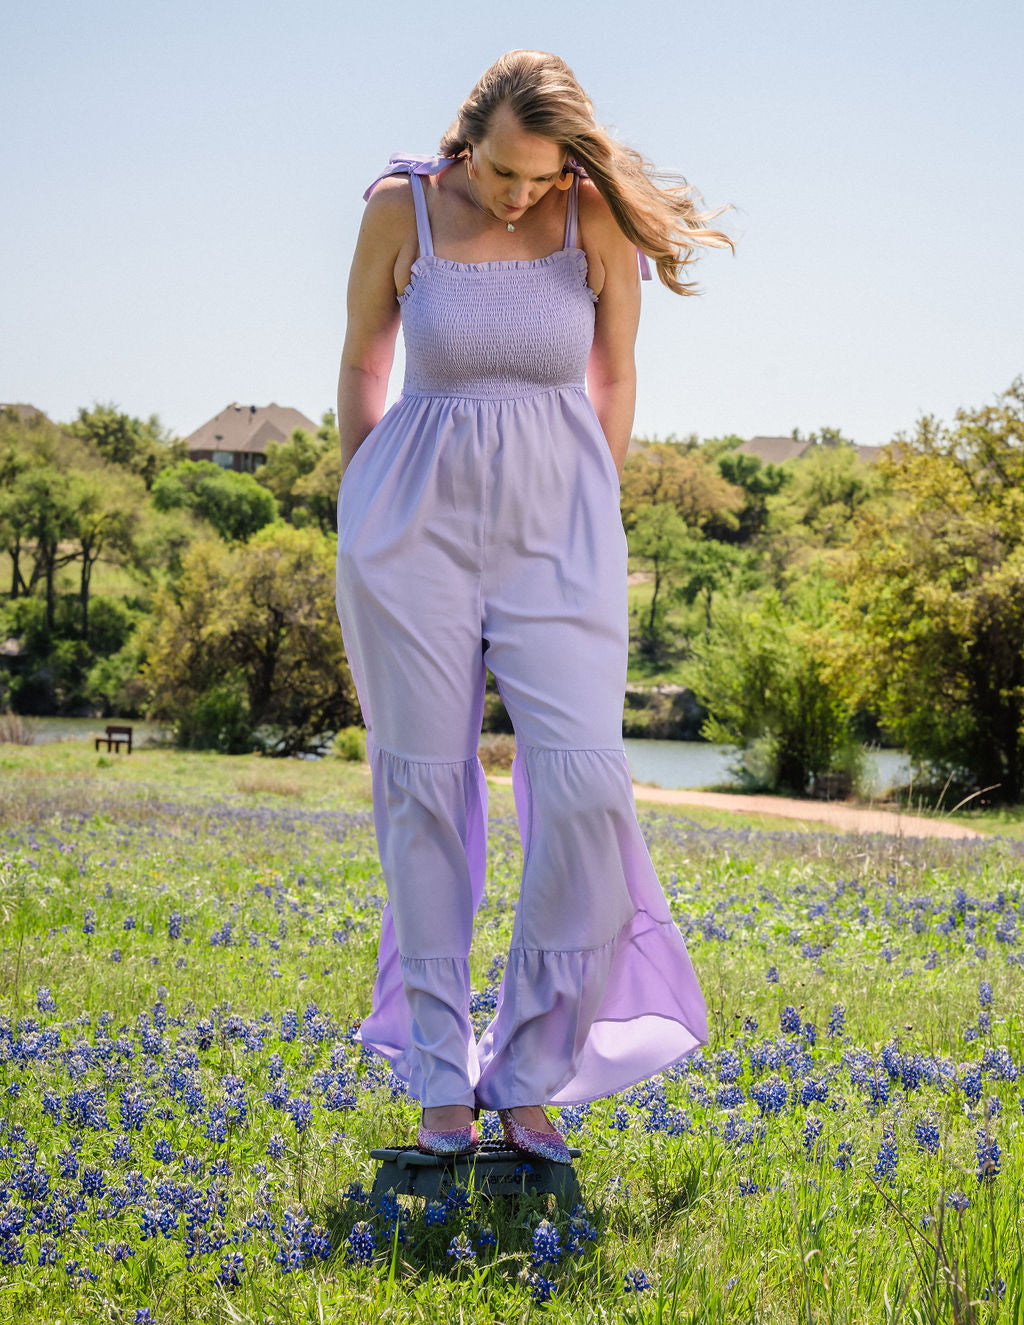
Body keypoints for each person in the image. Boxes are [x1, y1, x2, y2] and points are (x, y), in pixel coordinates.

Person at [335, 49, 733, 1163]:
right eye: (505, 172)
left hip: (561, 524)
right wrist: (361, 498)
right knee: (420, 784)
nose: (520, 194)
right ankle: (435, 1073)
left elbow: (614, 376)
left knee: (581, 782)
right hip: (408, 523)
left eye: (540, 174)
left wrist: (590, 501)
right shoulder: (398, 206)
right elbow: (365, 366)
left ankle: (531, 1065)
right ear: (467, 142)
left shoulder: (589, 216)